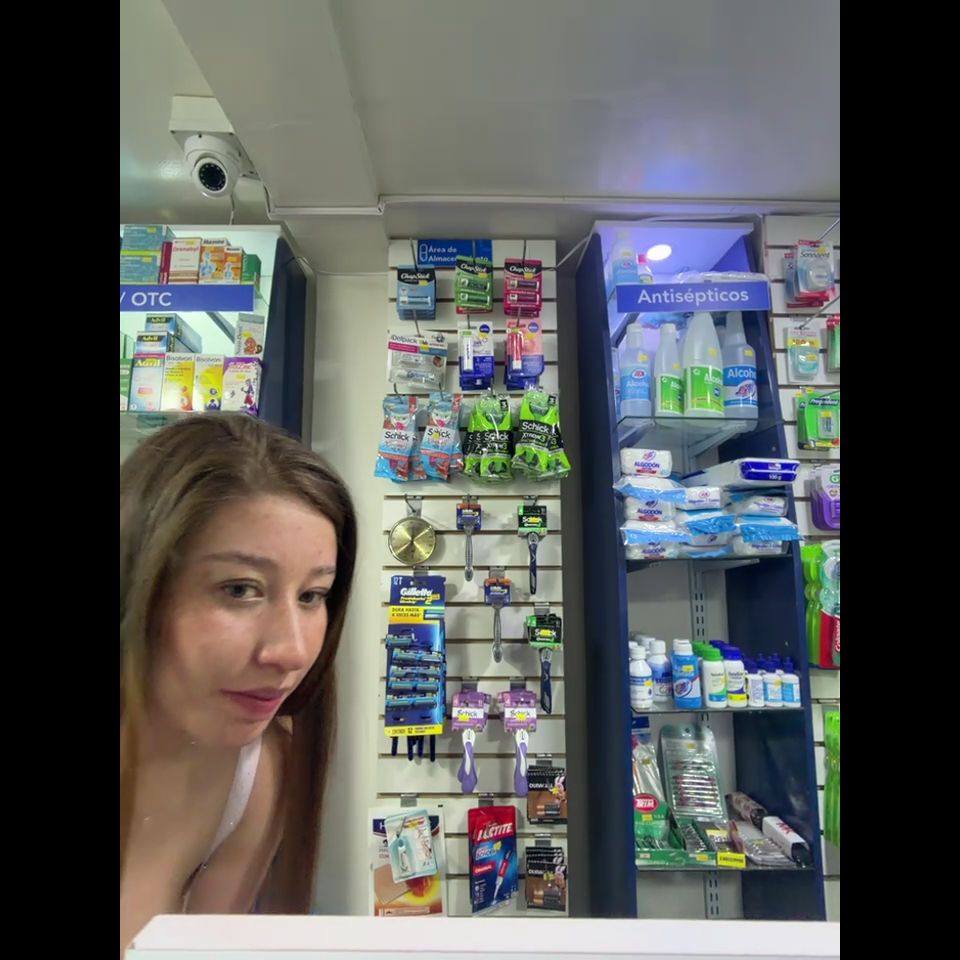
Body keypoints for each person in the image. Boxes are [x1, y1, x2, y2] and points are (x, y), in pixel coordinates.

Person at [120, 414, 357, 955]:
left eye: (312, 596)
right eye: (239, 589)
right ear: (136, 580)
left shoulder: (258, 773)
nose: (291, 651)